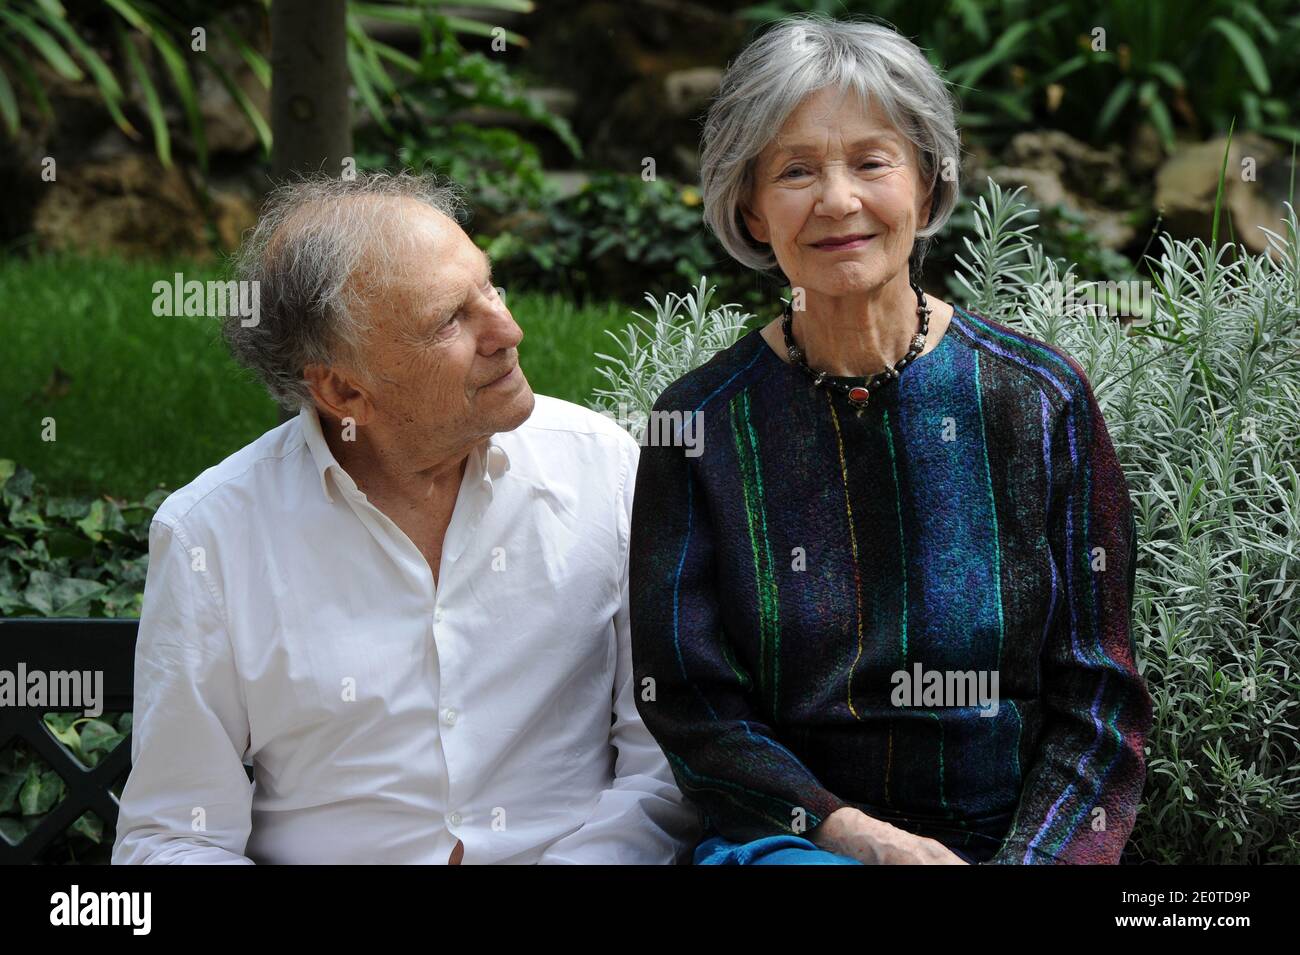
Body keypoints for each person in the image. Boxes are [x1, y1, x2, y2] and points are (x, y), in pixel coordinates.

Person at [629, 15, 1153, 865]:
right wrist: (856, 837)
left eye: (872, 162)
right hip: (798, 846)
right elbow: (693, 708)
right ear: (752, 209)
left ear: (924, 182)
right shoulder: (698, 425)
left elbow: (1099, 702)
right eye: (796, 171)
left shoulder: (1035, 397)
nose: (838, 201)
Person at [112, 172, 699, 864]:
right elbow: (174, 833)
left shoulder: (602, 468)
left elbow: (661, 763)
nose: (507, 330)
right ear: (341, 387)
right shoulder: (213, 534)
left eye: (489, 287)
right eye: (451, 320)